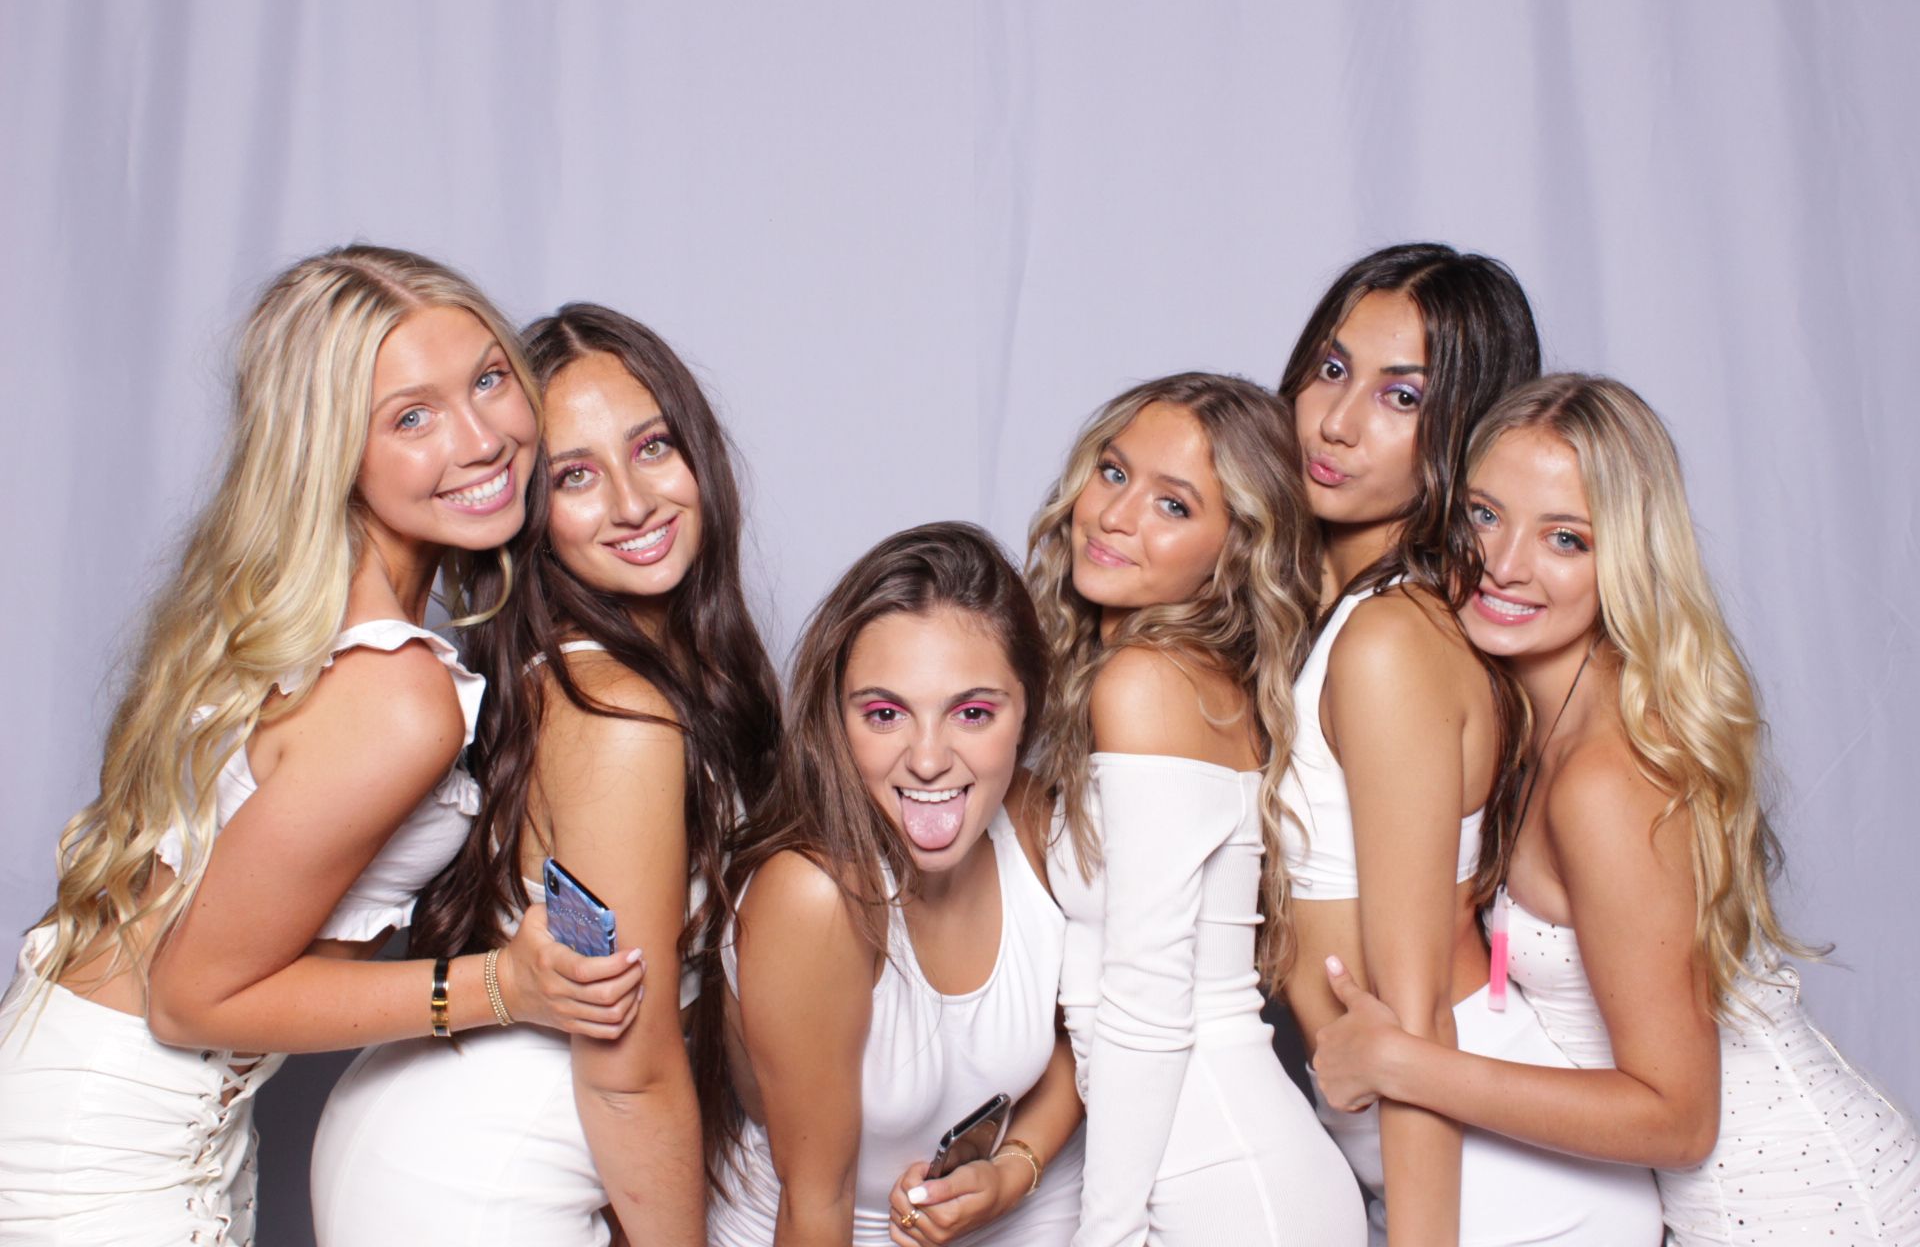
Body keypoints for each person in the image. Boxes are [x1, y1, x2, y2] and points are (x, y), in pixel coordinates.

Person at [0, 247, 643, 1245]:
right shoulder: (396, 695)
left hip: (102, 1092)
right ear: (331, 446)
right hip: (111, 1135)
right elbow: (191, 995)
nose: (482, 439)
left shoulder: (288, 612)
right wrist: (500, 986)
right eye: (411, 416)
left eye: (487, 378)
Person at [1312, 372, 1920, 1245]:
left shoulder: (1606, 777)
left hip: (1801, 1203)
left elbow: (1678, 1120)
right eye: (1485, 515)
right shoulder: (1532, 719)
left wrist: (1408, 1064)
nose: (1507, 563)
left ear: (1628, 557)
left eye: (1566, 538)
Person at [309, 303, 781, 1245]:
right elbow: (626, 1061)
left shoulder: (614, 682)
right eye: (575, 475)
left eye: (653, 447)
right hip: (477, 1176)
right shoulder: (618, 715)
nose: (634, 501)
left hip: (470, 1135)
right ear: (529, 513)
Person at [1273, 245, 1662, 1245]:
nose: (1338, 420)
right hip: (1426, 1162)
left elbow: (1412, 1009)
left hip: (1495, 1190)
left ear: (1462, 426)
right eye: (1330, 368)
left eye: (1400, 395)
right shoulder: (1358, 621)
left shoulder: (1393, 639)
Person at [1025, 371, 1364, 1247]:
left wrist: (1104, 1234)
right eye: (1112, 471)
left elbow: (1144, 993)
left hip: (1222, 1186)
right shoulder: (1173, 681)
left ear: (1235, 548)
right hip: (1191, 1163)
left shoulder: (1149, 684)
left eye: (1173, 506)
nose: (1114, 514)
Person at [706, 522, 1085, 1247]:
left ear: (1026, 709)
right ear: (837, 720)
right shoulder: (814, 898)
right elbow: (817, 1203)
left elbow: (1085, 1041)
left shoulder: (1037, 820)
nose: (930, 759)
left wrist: (1014, 1169)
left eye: (973, 712)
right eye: (885, 714)